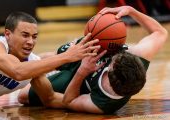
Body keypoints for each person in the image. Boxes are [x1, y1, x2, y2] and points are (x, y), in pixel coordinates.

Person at [18, 6, 168, 114]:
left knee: (23, 96)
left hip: (79, 81)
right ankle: (34, 62)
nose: (116, 55)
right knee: (49, 57)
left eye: (115, 59)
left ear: (110, 70)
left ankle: (43, 71)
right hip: (94, 47)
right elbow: (160, 32)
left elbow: (68, 101)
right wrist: (131, 11)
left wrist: (81, 73)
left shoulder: (102, 103)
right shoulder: (139, 57)